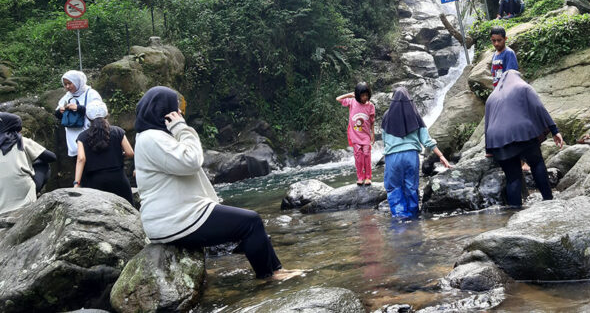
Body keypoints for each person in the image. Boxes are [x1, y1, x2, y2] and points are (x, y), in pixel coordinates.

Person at [133, 86, 298, 280]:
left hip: (178, 215)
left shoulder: (151, 137)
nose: (179, 113)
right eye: (175, 109)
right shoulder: (152, 138)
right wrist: (181, 129)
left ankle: (277, 269)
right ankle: (268, 276)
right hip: (175, 219)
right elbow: (192, 161)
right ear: (164, 111)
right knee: (250, 222)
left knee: (250, 222)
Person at [484, 70, 564, 207]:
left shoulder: (491, 97)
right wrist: (554, 130)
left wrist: (489, 149)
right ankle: (548, 201)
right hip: (523, 133)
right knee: (536, 163)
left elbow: (487, 124)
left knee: (512, 177)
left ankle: (514, 211)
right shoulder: (524, 87)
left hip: (498, 140)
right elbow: (539, 108)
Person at [381, 87, 451, 218]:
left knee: (394, 187)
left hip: (392, 157)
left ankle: (400, 217)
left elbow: (385, 139)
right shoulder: (414, 114)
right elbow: (426, 140)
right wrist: (441, 156)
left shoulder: (387, 116)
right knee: (411, 187)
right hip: (411, 156)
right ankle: (413, 217)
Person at [74, 101, 134, 205]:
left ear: (88, 117)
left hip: (94, 182)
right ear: (107, 115)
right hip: (118, 179)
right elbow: (130, 153)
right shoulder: (118, 131)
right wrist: (119, 155)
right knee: (129, 212)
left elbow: (81, 159)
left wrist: (76, 183)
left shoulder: (82, 136)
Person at [0, 112, 57, 214]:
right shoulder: (21, 141)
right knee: (42, 164)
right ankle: (34, 194)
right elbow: (52, 157)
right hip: (23, 195)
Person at [55, 70, 103, 157]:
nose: (68, 86)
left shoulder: (91, 94)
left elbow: (99, 112)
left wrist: (79, 108)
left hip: (90, 134)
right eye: (65, 84)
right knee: (78, 160)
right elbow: (57, 114)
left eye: (70, 83)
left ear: (77, 82)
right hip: (72, 137)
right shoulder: (67, 97)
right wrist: (60, 111)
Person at [337, 83, 376, 185]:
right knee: (358, 157)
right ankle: (360, 177)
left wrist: (373, 134)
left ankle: (368, 177)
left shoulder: (370, 106)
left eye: (366, 95)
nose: (365, 97)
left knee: (367, 155)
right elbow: (338, 99)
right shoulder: (352, 102)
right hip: (355, 135)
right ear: (358, 95)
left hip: (366, 135)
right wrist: (349, 95)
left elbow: (372, 121)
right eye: (362, 95)